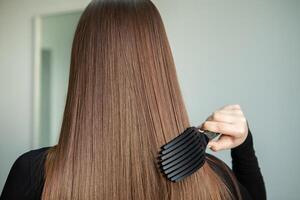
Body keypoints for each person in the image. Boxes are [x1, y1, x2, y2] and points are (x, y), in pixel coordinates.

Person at [0, 0, 266, 199]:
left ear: (82, 71)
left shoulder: (32, 174)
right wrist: (244, 146)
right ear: (161, 68)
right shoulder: (212, 178)